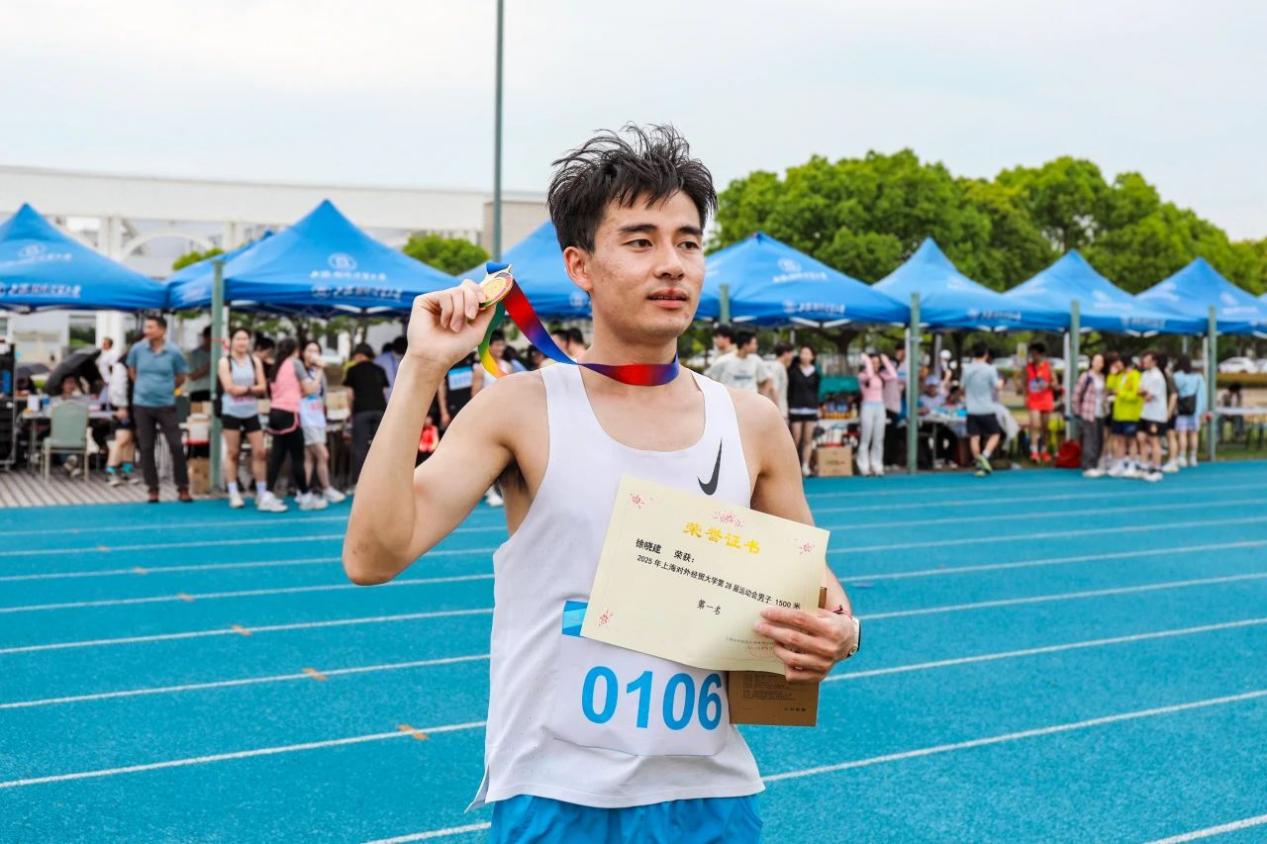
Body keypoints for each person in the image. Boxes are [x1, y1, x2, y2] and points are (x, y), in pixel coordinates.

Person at [343, 125, 859, 842]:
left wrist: (840, 633)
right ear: (579, 265)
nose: (671, 264)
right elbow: (372, 557)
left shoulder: (751, 422)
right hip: (555, 793)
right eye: (640, 242)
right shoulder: (519, 409)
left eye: (688, 242)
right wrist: (422, 368)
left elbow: (819, 593)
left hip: (709, 795)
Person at [126, 315, 192, 503]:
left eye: (151, 327)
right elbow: (132, 371)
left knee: (176, 445)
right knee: (146, 447)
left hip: (166, 404)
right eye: (146, 327)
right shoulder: (137, 349)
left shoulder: (174, 351)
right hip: (142, 405)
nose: (146, 330)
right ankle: (152, 489)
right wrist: (143, 387)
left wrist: (167, 388)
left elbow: (181, 375)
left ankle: (183, 487)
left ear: (162, 330)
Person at [264, 338, 327, 511]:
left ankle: (267, 495)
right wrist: (319, 370)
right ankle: (305, 497)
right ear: (296, 350)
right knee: (298, 457)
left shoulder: (276, 366)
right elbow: (311, 389)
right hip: (289, 414)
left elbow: (293, 390)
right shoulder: (295, 363)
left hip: (275, 412)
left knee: (277, 456)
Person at [218, 327, 270, 510]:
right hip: (231, 411)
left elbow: (262, 386)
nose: (242, 342)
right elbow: (229, 388)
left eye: (245, 339)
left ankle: (261, 492)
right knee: (233, 452)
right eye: (238, 338)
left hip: (251, 411)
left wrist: (245, 390)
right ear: (231, 341)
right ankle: (233, 492)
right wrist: (250, 389)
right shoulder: (225, 362)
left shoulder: (255, 361)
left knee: (260, 452)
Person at [301, 340, 345, 505]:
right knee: (323, 454)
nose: (313, 354)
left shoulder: (320, 372)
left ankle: (303, 491)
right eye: (310, 350)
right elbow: (308, 390)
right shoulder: (301, 370)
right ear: (303, 353)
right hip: (305, 417)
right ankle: (326, 488)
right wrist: (320, 370)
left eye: (316, 351)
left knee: (310, 457)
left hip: (318, 417)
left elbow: (324, 393)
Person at [344, 342, 390, 486]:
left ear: (359, 355)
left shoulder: (352, 370)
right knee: (381, 447)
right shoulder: (380, 369)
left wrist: (349, 413)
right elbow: (384, 392)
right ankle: (382, 481)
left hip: (361, 411)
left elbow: (350, 395)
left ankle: (359, 483)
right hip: (380, 411)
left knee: (360, 448)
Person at [961, 342, 1003, 477]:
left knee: (974, 437)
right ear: (986, 354)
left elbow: (962, 387)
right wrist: (1001, 382)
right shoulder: (990, 369)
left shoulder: (967, 368)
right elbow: (997, 386)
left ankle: (979, 465)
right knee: (995, 434)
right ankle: (985, 456)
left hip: (972, 409)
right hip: (986, 408)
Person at [856, 349, 897, 477]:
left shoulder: (881, 376)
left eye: (877, 363)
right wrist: (867, 361)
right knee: (866, 438)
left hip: (880, 406)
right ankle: (864, 466)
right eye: (873, 362)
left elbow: (894, 376)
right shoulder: (862, 375)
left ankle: (877, 465)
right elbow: (869, 375)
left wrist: (885, 360)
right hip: (867, 406)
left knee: (878, 438)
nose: (875, 365)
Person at [103, 351, 137, 487]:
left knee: (131, 439)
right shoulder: (122, 364)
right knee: (123, 437)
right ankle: (110, 470)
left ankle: (127, 470)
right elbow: (117, 387)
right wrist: (121, 406)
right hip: (123, 406)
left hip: (134, 406)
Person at [1107, 355, 1144, 478]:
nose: (1116, 365)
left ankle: (1132, 464)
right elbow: (1110, 386)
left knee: (1132, 441)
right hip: (1118, 414)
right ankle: (1120, 464)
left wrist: (1120, 393)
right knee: (1119, 440)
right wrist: (1112, 374)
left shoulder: (1135, 375)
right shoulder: (1119, 376)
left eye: (1118, 363)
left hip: (1131, 414)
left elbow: (1136, 395)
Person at [787, 345, 821, 477]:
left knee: (808, 439)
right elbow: (789, 390)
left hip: (811, 408)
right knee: (795, 438)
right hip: (795, 408)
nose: (805, 356)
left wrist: (818, 407)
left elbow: (817, 391)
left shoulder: (816, 373)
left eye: (807, 353)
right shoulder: (793, 371)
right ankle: (791, 466)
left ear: (812, 357)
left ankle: (805, 466)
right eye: (802, 353)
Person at [1074, 353, 1108, 478]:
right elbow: (1077, 394)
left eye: (1101, 362)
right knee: (1090, 439)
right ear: (1092, 362)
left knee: (1099, 438)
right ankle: (1088, 465)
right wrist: (1077, 411)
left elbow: (1104, 395)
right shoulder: (1086, 376)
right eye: (1096, 361)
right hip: (1088, 411)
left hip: (1100, 412)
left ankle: (1095, 463)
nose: (1098, 364)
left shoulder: (1102, 377)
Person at [1021, 342, 1056, 463]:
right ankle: (1034, 451)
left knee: (1045, 427)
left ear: (1041, 354)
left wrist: (1048, 385)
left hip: (1046, 399)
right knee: (1035, 425)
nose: (1033, 357)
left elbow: (1055, 383)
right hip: (1033, 400)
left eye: (1035, 354)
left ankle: (1044, 451)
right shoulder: (1028, 367)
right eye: (1031, 354)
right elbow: (1024, 383)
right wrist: (1025, 397)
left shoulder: (1048, 367)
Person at [705, 330, 769, 393]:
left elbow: (767, 378)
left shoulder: (756, 360)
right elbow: (708, 378)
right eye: (754, 343)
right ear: (745, 345)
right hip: (730, 398)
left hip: (751, 398)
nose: (756, 346)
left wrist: (762, 395)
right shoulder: (724, 360)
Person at [1172, 354, 1208, 468]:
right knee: (1193, 433)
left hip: (1182, 409)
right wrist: (1202, 411)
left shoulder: (1177, 376)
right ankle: (1193, 457)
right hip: (1195, 410)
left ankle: (1182, 457)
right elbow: (1203, 394)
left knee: (1182, 433)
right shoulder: (1198, 377)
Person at [1137, 350, 1167, 482]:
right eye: (1144, 360)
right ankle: (1144, 467)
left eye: (1147, 360)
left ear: (1154, 362)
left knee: (1154, 441)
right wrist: (1143, 393)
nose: (1144, 362)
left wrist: (1144, 393)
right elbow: (1139, 390)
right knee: (1141, 438)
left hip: (1156, 415)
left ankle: (1156, 468)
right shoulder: (1144, 375)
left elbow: (1149, 397)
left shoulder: (1157, 377)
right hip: (1145, 413)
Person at [882, 346, 906, 468]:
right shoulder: (885, 374)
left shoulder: (896, 376)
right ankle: (885, 461)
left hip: (895, 409)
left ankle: (891, 460)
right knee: (886, 436)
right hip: (886, 408)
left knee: (892, 436)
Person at [763, 343, 792, 421]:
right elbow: (773, 389)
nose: (791, 356)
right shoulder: (777, 367)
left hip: (777, 409)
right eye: (790, 353)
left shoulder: (779, 366)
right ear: (785, 353)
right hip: (777, 410)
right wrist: (778, 410)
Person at [185, 326, 213, 403]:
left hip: (215, 391)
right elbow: (192, 376)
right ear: (206, 337)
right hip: (197, 392)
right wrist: (209, 366)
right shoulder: (193, 355)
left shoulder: (218, 354)